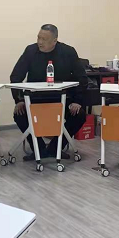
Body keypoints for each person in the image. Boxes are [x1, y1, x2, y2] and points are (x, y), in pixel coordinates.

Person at [10, 24, 88, 160]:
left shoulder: (68, 52)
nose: (40, 42)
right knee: (19, 114)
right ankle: (39, 148)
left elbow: (82, 78)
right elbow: (15, 77)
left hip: (62, 100)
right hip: (35, 99)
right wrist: (19, 100)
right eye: (38, 38)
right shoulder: (30, 51)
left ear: (55, 40)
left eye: (44, 39)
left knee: (79, 115)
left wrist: (77, 101)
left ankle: (55, 148)